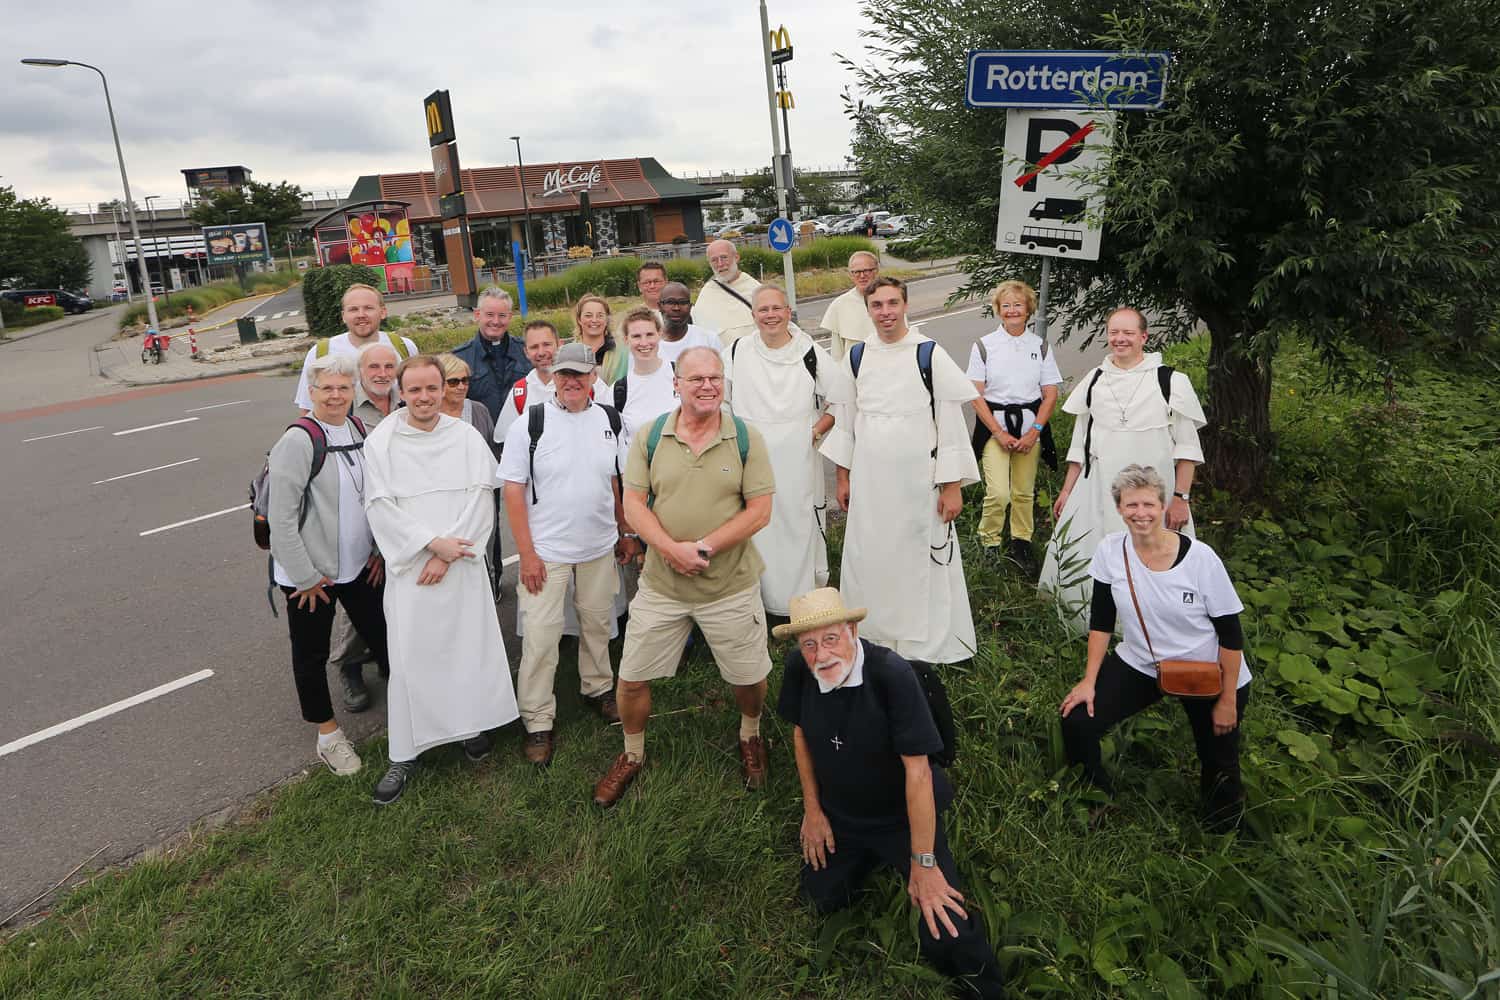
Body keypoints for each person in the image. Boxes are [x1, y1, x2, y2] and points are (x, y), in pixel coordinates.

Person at [775, 588, 1006, 1000]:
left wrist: (924, 862)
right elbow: (800, 734)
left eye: (831, 639)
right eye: (809, 644)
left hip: (902, 815)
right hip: (841, 813)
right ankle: (866, 858)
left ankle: (987, 989)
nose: (821, 654)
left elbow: (917, 774)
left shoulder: (891, 675)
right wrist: (813, 811)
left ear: (853, 629)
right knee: (820, 896)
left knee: (944, 930)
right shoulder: (799, 667)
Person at [591, 347, 776, 807]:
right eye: (697, 379)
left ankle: (750, 734)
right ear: (677, 383)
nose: (708, 386)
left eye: (715, 377)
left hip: (729, 584)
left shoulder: (746, 438)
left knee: (749, 676)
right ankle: (632, 754)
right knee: (631, 679)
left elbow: (760, 512)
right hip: (662, 585)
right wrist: (671, 550)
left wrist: (705, 548)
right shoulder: (652, 437)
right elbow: (634, 503)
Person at [362, 355, 520, 805]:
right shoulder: (383, 442)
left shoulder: (465, 435)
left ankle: (468, 727)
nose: (425, 397)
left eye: (433, 388)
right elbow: (380, 508)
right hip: (412, 569)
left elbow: (480, 500)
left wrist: (450, 554)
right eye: (415, 390)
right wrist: (430, 545)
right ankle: (405, 753)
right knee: (413, 656)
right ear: (402, 392)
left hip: (461, 565)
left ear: (444, 389)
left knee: (465, 648)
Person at [1059, 464, 1250, 831]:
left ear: (1163, 506)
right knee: (1078, 721)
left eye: (1148, 504)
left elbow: (1231, 635)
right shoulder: (1110, 551)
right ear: (1119, 509)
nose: (1140, 513)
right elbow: (1101, 621)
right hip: (1143, 662)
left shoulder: (1201, 560)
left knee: (1219, 763)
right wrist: (1088, 681)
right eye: (1131, 505)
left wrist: (1227, 701)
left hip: (1208, 670)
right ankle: (1096, 797)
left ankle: (1222, 836)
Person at [824, 277, 980, 666]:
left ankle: (925, 643)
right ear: (868, 309)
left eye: (893, 303)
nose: (886, 312)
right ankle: (875, 635)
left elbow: (950, 424)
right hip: (871, 481)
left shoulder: (928, 353)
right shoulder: (858, 356)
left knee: (922, 555)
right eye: (877, 305)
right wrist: (843, 477)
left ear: (905, 305)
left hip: (918, 481)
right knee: (871, 555)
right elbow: (846, 419)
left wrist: (952, 486)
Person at [500, 343, 640, 766]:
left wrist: (624, 530)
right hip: (546, 552)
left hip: (598, 547)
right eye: (564, 374)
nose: (572, 382)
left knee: (598, 623)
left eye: (580, 374)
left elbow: (616, 481)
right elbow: (512, 489)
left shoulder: (609, 420)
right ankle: (538, 718)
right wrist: (526, 554)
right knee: (542, 636)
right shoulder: (531, 424)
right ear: (554, 377)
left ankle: (597, 688)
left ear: (594, 375)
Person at [1039, 308, 1207, 634]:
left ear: (1144, 337)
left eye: (1128, 333)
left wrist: (1180, 497)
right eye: (1114, 332)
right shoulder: (1095, 380)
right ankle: (1090, 626)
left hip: (1153, 498)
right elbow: (1081, 446)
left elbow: (1187, 449)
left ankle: (1150, 628)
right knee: (1095, 556)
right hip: (1098, 491)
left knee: (1154, 557)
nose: (1120, 339)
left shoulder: (1170, 381)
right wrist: (1066, 490)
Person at [268, 353, 390, 777]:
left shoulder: (356, 428)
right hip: (311, 577)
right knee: (310, 654)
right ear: (311, 392)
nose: (336, 395)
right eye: (327, 388)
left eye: (343, 387)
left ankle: (412, 717)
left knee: (386, 636)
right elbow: (282, 518)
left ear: (353, 390)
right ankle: (328, 736)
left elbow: (366, 497)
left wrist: (375, 549)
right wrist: (303, 576)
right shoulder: (299, 440)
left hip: (357, 567)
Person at [723, 285, 850, 615]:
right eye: (763, 310)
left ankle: (802, 603)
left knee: (798, 524)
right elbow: (721, 401)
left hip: (798, 459)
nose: (770, 316)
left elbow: (842, 399)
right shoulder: (737, 351)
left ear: (788, 312)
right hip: (750, 457)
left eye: (776, 309)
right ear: (753, 315)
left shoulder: (809, 352)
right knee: (757, 527)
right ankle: (759, 604)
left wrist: (815, 431)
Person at [965, 281, 1062, 569]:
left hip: (1030, 427)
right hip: (994, 426)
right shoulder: (984, 346)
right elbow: (976, 395)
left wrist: (1035, 432)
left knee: (1023, 492)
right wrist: (998, 432)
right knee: (998, 493)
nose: (1012, 311)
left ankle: (1021, 543)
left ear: (1029, 309)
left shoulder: (1040, 346)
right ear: (998, 310)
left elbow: (1050, 393)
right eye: (1005, 305)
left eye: (1018, 305)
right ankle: (990, 543)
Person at [292, 284, 418, 413]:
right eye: (353, 309)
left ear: (383, 312)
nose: (361, 315)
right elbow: (307, 408)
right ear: (343, 316)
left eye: (368, 308)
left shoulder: (405, 347)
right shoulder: (321, 353)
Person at [494, 320, 611, 442]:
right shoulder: (520, 392)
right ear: (526, 352)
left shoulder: (591, 383)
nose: (541, 352)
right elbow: (505, 439)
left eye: (546, 344)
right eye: (534, 347)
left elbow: (612, 426)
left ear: (560, 345)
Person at [451, 285, 532, 422]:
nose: (496, 321)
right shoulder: (460, 358)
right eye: (489, 315)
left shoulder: (527, 352)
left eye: (502, 316)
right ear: (477, 315)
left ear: (510, 317)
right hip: (480, 437)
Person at [613, 307, 681, 449]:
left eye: (649, 334)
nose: (644, 343)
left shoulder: (682, 375)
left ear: (659, 334)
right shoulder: (618, 391)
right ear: (626, 340)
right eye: (636, 336)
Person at [693, 239, 762, 347]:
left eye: (724, 257)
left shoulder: (756, 289)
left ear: (736, 257)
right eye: (714, 260)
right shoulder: (706, 294)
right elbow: (701, 333)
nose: (720, 264)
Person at [820, 251, 880, 359]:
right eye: (856, 272)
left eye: (866, 271)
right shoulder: (839, 305)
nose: (862, 276)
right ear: (851, 275)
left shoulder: (890, 299)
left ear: (876, 271)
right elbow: (837, 353)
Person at [435, 352, 496, 455]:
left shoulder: (479, 411)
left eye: (465, 380)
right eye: (453, 382)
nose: (461, 387)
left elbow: (491, 450)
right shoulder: (428, 415)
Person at [656, 281, 720, 366]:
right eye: (670, 302)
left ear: (690, 307)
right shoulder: (648, 342)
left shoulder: (709, 339)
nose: (676, 308)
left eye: (682, 302)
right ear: (660, 306)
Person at [573, 294, 629, 384]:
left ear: (607, 319)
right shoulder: (569, 353)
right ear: (579, 319)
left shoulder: (623, 353)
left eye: (600, 315)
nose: (594, 320)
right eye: (588, 316)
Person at [353, 342, 400, 428]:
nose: (383, 374)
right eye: (374, 366)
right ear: (360, 370)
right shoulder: (345, 404)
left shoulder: (407, 401)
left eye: (389, 366)